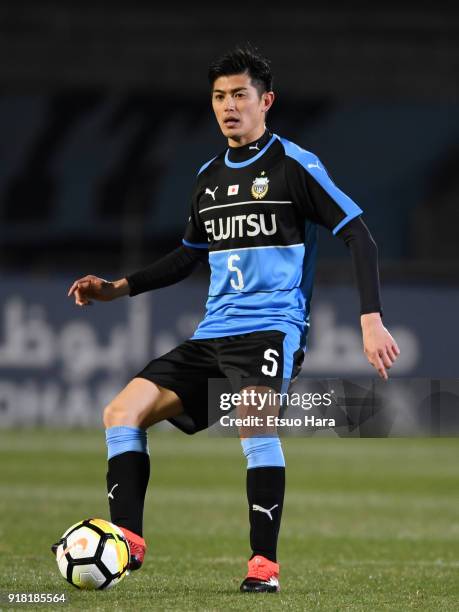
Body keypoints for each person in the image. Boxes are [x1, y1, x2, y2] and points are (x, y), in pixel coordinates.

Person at [53, 46, 400, 593]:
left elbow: (359, 234)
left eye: (240, 95)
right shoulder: (208, 176)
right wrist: (118, 288)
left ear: (266, 101)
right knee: (121, 412)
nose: (228, 106)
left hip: (270, 327)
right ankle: (126, 542)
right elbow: (189, 254)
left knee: (255, 423)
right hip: (213, 333)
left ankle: (264, 567)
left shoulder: (295, 165)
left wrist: (370, 319)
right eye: (219, 97)